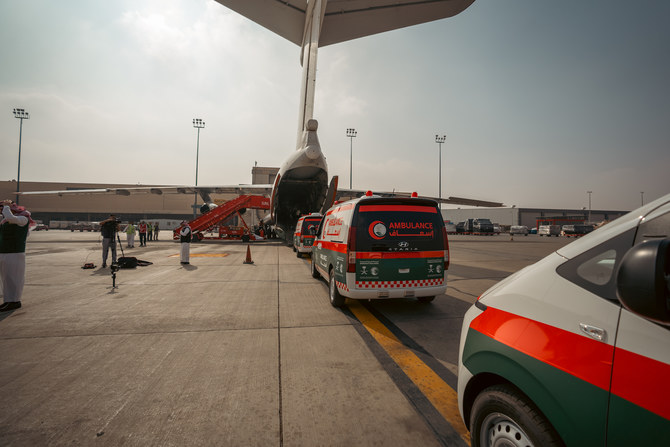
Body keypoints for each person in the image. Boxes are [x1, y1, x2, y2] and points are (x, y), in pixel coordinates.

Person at [0, 200, 32, 312]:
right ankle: (8, 301)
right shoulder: (5, 221)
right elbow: (7, 218)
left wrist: (6, 207)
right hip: (4, 252)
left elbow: (10, 218)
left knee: (14, 278)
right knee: (6, 279)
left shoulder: (23, 219)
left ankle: (15, 300)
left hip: (15, 253)